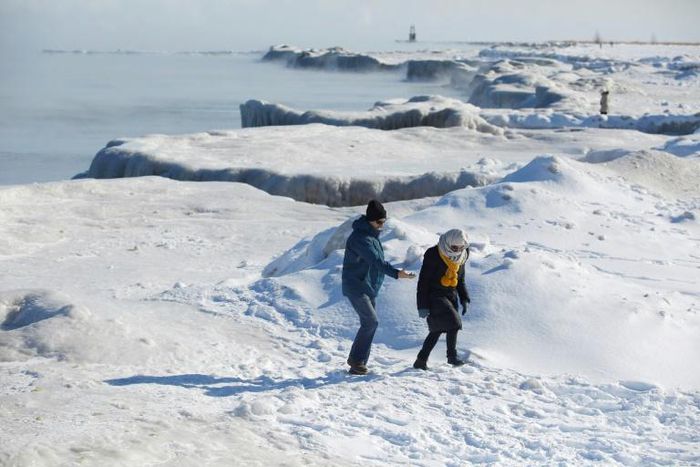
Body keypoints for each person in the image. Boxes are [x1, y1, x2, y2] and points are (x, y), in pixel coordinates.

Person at [342, 200, 415, 375]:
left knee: (369, 324)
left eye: (384, 222)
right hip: (356, 286)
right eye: (379, 222)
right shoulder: (361, 239)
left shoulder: (372, 236)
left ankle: (358, 364)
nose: (382, 226)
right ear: (370, 220)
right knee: (371, 322)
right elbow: (376, 262)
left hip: (368, 286)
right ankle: (356, 360)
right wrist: (397, 274)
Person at [413, 229, 471, 370]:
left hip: (451, 294)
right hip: (434, 295)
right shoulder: (433, 254)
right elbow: (423, 281)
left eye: (461, 247)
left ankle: (421, 360)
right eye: (454, 247)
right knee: (454, 322)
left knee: (437, 330)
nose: (457, 250)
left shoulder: (463, 255)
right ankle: (452, 357)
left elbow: (461, 278)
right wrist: (422, 305)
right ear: (447, 242)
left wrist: (464, 297)